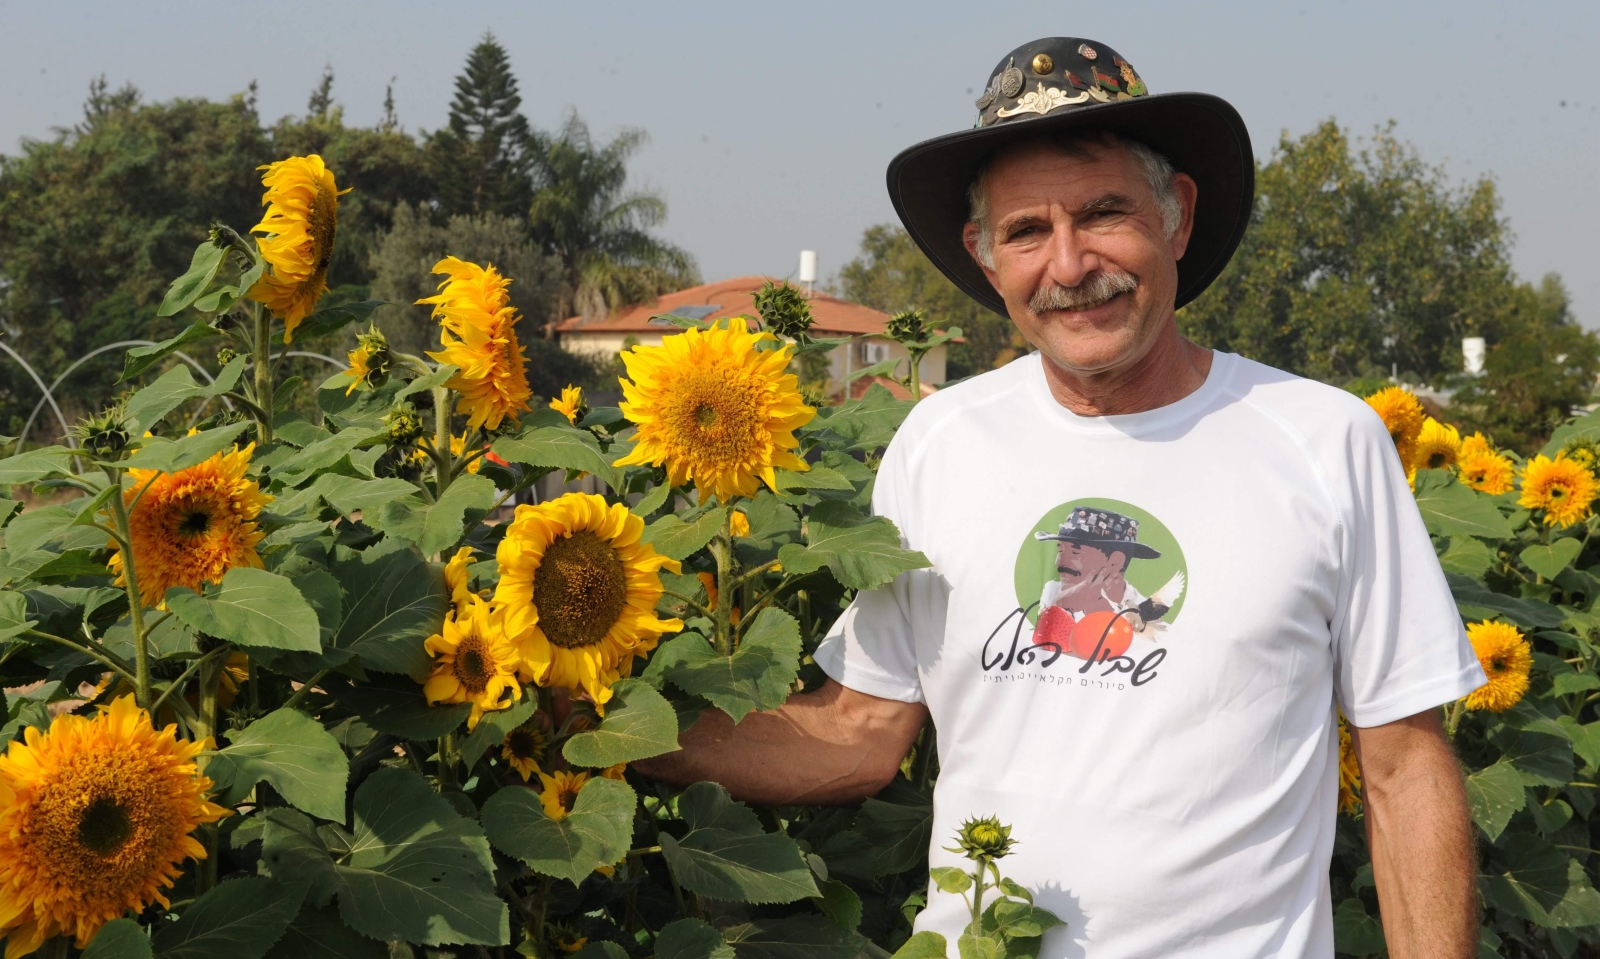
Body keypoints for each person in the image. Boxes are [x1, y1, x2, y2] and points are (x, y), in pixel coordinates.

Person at [637, 36, 1484, 959]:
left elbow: (1404, 767)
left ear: (1178, 218)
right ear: (984, 255)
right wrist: (615, 734)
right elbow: (861, 731)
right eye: (1027, 231)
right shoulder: (940, 443)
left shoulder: (1323, 441)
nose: (1071, 264)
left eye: (1105, 213)